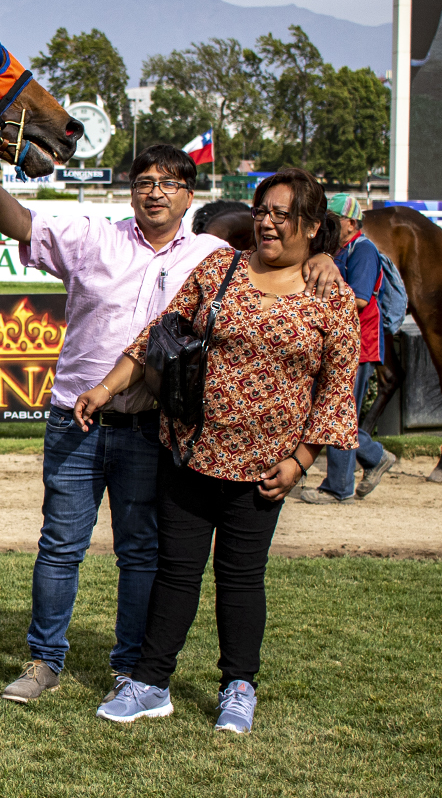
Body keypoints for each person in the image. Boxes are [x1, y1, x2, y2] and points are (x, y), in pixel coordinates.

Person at [0, 144, 345, 709]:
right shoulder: (96, 237)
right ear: (131, 190)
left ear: (189, 196)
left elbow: (284, 242)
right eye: (144, 181)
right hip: (79, 419)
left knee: (141, 554)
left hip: (150, 428)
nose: (155, 191)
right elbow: (19, 221)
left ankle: (130, 669)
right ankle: (44, 661)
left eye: (169, 183)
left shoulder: (211, 254)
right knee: (60, 546)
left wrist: (324, 255)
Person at [72, 167, 359, 734]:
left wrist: (300, 462)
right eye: (262, 211)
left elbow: (335, 393)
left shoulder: (332, 298)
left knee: (241, 578)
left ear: (311, 226)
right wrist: (104, 388)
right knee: (176, 573)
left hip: (264, 471)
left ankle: (238, 687)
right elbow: (158, 337)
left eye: (281, 215)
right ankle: (150, 684)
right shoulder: (219, 268)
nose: (267, 223)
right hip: (191, 454)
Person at [300, 193, 399, 503]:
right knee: (333, 412)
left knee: (340, 413)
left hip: (359, 346)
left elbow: (360, 300)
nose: (327, 225)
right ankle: (374, 457)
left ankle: (339, 486)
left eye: (333, 220)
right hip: (337, 345)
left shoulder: (364, 250)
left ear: (352, 223)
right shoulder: (336, 250)